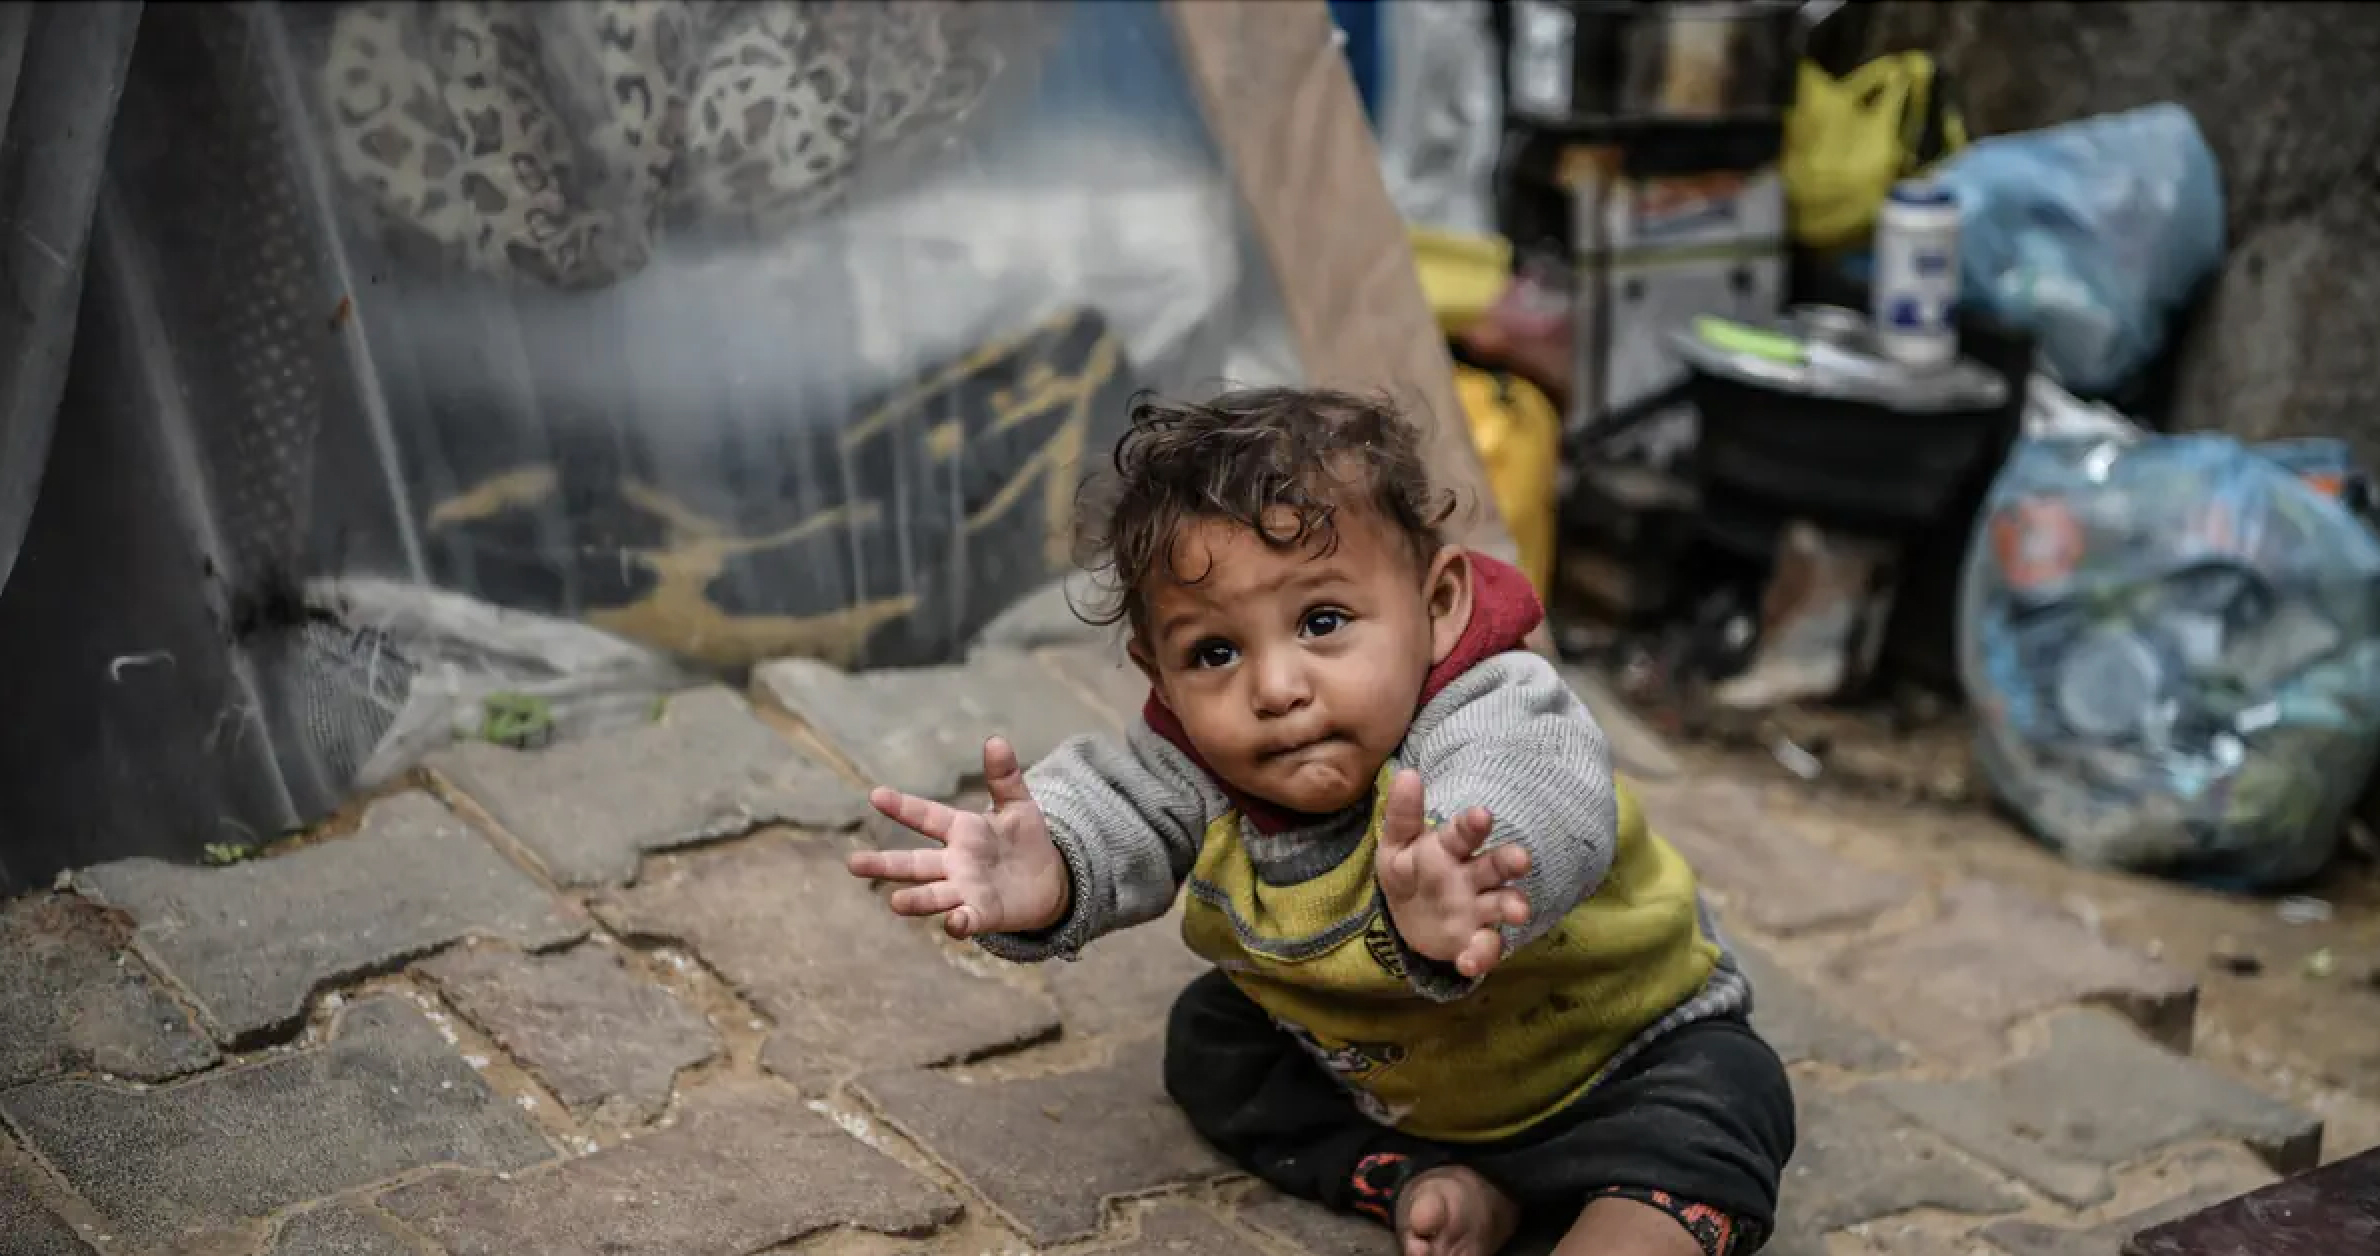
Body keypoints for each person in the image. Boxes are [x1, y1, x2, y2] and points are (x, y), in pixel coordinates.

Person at [846, 388, 1794, 1256]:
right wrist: (1050, 862)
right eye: (1214, 650)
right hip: (1394, 1081)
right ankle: (1426, 1184)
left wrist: (1474, 872)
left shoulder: (1493, 704)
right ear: (1159, 675)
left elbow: (1545, 788)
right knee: (1211, 1043)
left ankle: (1629, 1227)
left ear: (1438, 602)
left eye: (1324, 622)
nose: (1278, 688)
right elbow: (1118, 798)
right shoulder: (1195, 760)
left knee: (1726, 1098)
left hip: (1614, 1060)